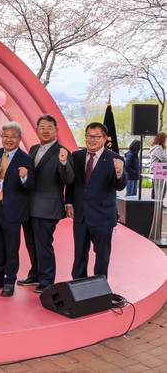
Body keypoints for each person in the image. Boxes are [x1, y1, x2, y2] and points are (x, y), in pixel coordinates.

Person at [66, 122, 126, 280]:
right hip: (80, 214)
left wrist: (120, 172)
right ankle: (78, 283)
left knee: (102, 255)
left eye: (96, 137)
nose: (92, 140)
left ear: (105, 138)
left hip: (103, 215)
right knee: (79, 253)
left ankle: (99, 287)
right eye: (89, 136)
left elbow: (119, 186)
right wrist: (69, 203)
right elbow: (72, 183)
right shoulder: (77, 156)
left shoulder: (115, 159)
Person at [22, 114, 75, 293]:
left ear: (56, 130)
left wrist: (63, 162)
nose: (45, 131)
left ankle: (46, 279)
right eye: (42, 127)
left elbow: (69, 178)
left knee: (44, 243)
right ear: (37, 130)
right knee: (31, 242)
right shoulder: (33, 149)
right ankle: (35, 273)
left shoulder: (62, 151)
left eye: (49, 128)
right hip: (29, 205)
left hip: (47, 207)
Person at [0, 122, 35, 297]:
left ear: (19, 139)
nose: (9, 139)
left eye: (13, 136)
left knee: (11, 248)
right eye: (6, 136)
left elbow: (31, 186)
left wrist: (24, 177)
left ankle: (10, 280)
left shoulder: (26, 159)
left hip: (13, 210)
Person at [149, 132, 167, 200]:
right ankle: (155, 202)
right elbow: (164, 159)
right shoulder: (157, 148)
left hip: (162, 169)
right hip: (157, 170)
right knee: (158, 188)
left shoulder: (162, 148)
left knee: (162, 188)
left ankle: (159, 201)